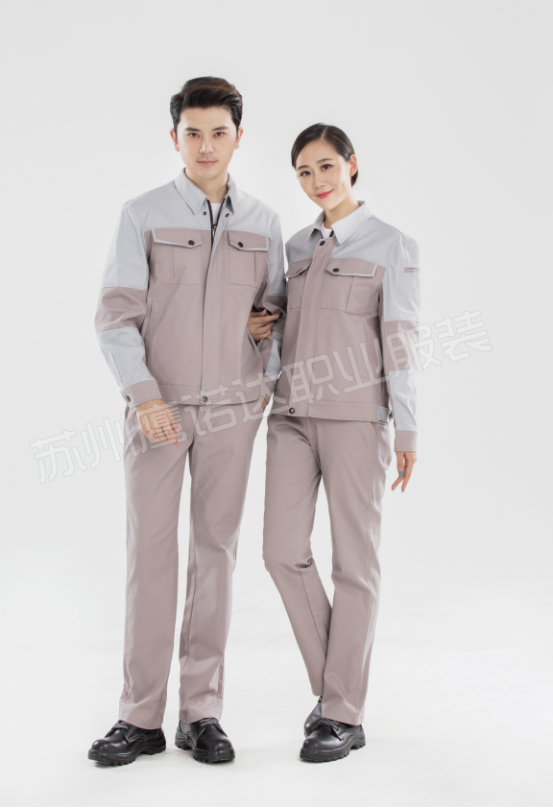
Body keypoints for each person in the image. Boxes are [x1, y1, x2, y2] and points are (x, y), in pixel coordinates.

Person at [88, 77, 285, 766]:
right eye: (192, 133)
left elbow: (277, 314)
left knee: (215, 557)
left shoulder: (263, 222)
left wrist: (261, 384)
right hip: (159, 412)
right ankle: (138, 716)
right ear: (174, 138)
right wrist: (143, 395)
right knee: (151, 557)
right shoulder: (141, 214)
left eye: (218, 132)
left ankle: (201, 713)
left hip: (232, 412)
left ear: (238, 138)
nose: (206, 145)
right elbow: (116, 316)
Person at [252, 123, 420, 763]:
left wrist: (407, 427)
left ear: (352, 164)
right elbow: (279, 331)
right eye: (303, 171)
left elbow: (399, 341)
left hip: (357, 419)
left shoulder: (392, 244)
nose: (316, 181)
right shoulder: (296, 247)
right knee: (280, 552)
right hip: (291, 416)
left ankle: (341, 713)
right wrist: (261, 360)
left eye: (326, 166)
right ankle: (336, 693)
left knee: (354, 565)